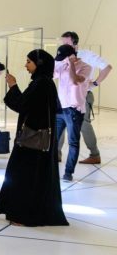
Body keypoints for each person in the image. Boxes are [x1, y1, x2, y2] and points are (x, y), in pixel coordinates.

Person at [0, 49, 68, 227]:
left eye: (29, 62)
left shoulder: (42, 83)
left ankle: (25, 215)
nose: (25, 65)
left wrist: (13, 86)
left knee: (26, 177)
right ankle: (21, 212)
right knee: (23, 175)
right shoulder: (42, 82)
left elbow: (23, 105)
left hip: (33, 140)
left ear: (39, 64)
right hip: (32, 139)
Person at [60, 31, 112, 165]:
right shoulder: (63, 56)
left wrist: (95, 83)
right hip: (65, 96)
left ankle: (94, 154)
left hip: (82, 96)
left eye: (66, 43)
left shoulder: (87, 55)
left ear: (75, 43)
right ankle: (56, 153)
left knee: (84, 125)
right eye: (62, 43)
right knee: (61, 122)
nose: (63, 45)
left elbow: (107, 67)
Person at [54, 44, 92, 182]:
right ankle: (50, 169)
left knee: (73, 142)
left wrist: (71, 64)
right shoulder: (62, 65)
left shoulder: (86, 67)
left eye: (64, 57)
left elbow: (75, 80)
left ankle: (68, 173)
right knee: (53, 140)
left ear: (71, 55)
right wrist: (60, 63)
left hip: (74, 110)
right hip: (60, 109)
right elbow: (51, 75)